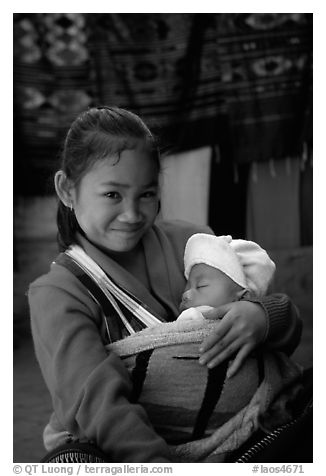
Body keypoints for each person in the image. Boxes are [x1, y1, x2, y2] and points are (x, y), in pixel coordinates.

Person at [28, 106, 303, 463]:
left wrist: (263, 317)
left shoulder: (193, 244)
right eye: (112, 195)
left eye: (147, 194)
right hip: (128, 448)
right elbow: (97, 403)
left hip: (234, 430)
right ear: (67, 189)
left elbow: (287, 330)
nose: (132, 214)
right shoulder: (58, 292)